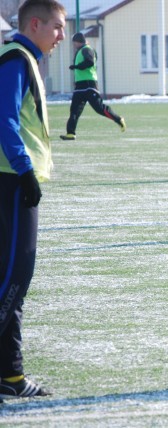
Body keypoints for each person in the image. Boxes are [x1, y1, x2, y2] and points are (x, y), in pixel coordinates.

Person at [0, 0, 66, 399]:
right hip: (11, 180)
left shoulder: (24, 59)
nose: (62, 36)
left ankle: (10, 376)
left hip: (15, 179)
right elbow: (4, 118)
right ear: (36, 24)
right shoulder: (17, 59)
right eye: (57, 27)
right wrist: (25, 170)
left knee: (12, 278)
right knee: (14, 277)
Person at [60, 32, 126, 141]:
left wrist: (77, 66)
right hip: (80, 86)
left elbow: (89, 62)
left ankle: (118, 119)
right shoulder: (83, 50)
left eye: (74, 43)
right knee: (74, 110)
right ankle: (70, 133)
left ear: (77, 42)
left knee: (99, 108)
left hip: (89, 85)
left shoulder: (86, 49)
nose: (73, 45)